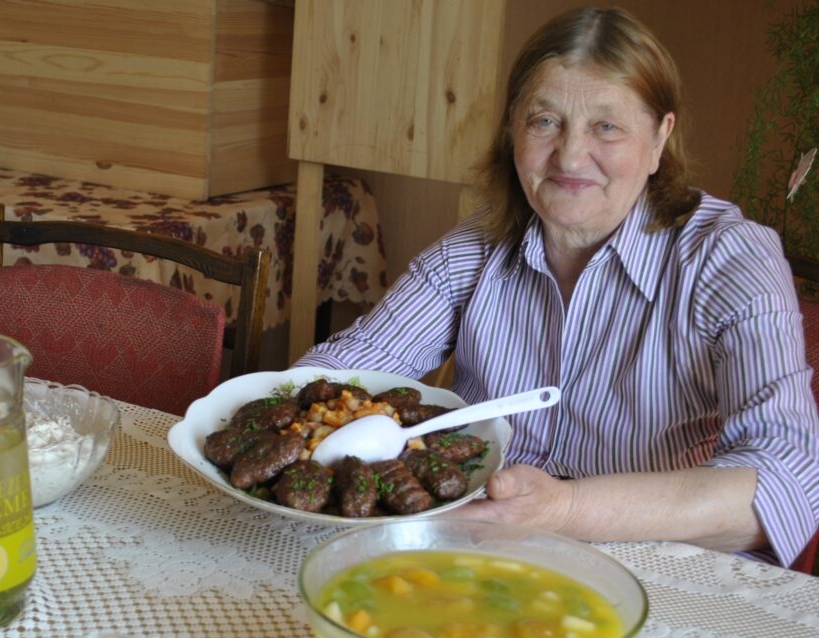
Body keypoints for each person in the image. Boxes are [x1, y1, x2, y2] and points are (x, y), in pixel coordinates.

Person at [295, 6, 819, 568]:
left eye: (607, 126)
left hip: (663, 573)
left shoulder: (731, 255)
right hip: (475, 555)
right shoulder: (473, 247)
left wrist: (565, 510)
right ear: (512, 130)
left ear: (660, 137)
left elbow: (783, 482)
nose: (569, 156)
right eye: (544, 121)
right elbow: (336, 374)